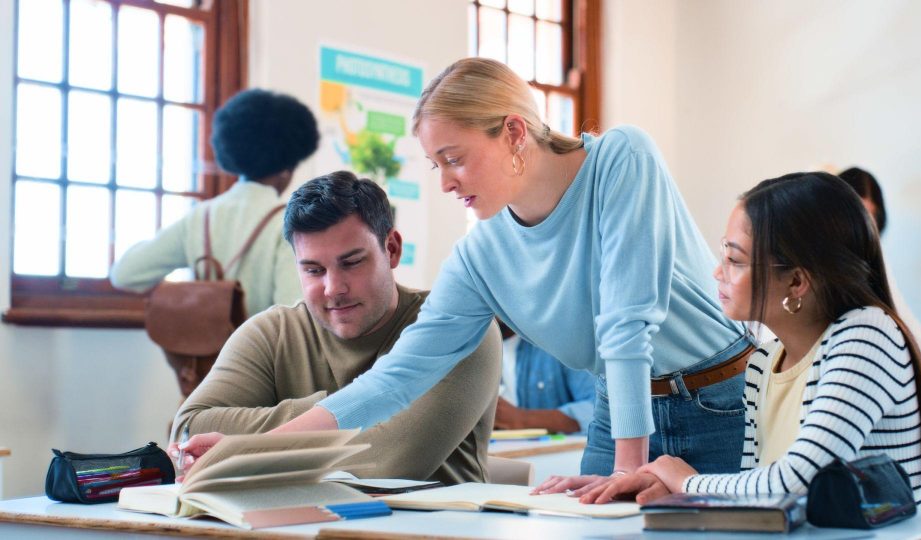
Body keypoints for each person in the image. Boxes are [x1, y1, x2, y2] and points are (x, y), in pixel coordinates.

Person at [178, 58, 752, 491]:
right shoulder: (480, 256)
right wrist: (247, 449)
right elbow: (394, 379)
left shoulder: (622, 158)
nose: (446, 182)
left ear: (513, 133)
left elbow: (626, 325)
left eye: (453, 158)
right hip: (618, 411)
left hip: (720, 397)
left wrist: (629, 471)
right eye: (436, 165)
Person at [585, 172, 921, 508]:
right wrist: (676, 493)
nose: (718, 272)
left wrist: (686, 483)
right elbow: (757, 495)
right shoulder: (763, 363)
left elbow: (798, 481)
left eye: (735, 260)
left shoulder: (866, 337)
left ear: (797, 282)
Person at [172, 171, 502, 483]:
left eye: (352, 263)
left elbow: (387, 464)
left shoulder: (459, 329)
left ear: (392, 249)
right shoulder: (271, 333)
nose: (333, 288)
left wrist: (240, 449)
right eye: (314, 270)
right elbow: (189, 431)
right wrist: (352, 411)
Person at [110, 89, 318, 397]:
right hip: (261, 386)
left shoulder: (200, 218)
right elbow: (293, 313)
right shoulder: (288, 221)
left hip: (202, 381)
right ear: (288, 166)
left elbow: (125, 273)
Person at [838, 166, 921, 363]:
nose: (862, 227)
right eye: (855, 215)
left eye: (869, 216)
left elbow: (901, 316)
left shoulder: (877, 259)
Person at [496, 322, 596, 434]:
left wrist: (523, 419)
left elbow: (598, 411)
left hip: (562, 450)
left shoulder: (561, 341)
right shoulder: (476, 349)